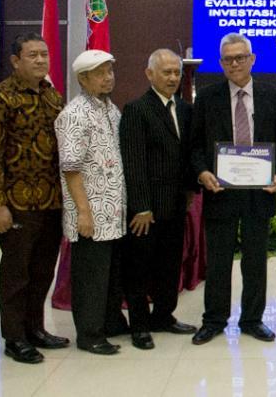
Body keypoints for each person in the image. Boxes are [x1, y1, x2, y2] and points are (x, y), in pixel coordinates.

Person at [190, 33, 276, 345]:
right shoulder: (207, 98)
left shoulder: (272, 95)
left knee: (255, 260)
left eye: (240, 57)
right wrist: (203, 172)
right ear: (221, 63)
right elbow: (194, 146)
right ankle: (214, 320)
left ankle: (252, 319)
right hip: (220, 191)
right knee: (218, 260)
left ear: (252, 59)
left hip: (258, 194)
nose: (234, 63)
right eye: (228, 59)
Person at [0, 33, 68, 364]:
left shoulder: (51, 95)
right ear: (16, 61)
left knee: (43, 269)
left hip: (51, 201)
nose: (41, 60)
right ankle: (15, 337)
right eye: (33, 55)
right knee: (16, 274)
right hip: (16, 202)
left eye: (44, 54)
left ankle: (35, 329)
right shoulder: (0, 97)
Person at [119, 49, 197, 350]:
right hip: (146, 210)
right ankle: (139, 325)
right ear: (150, 74)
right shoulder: (136, 110)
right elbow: (134, 162)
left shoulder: (186, 109)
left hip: (176, 205)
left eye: (176, 72)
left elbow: (188, 155)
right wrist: (141, 206)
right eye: (166, 72)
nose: (173, 78)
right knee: (139, 268)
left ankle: (163, 316)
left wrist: (191, 190)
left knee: (169, 266)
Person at [55, 49, 127, 355]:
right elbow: (70, 168)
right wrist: (83, 212)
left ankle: (109, 321)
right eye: (100, 73)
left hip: (113, 210)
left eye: (110, 71)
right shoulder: (74, 114)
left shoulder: (111, 110)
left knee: (108, 274)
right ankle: (89, 333)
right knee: (90, 277)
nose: (108, 77)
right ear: (83, 78)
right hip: (90, 212)